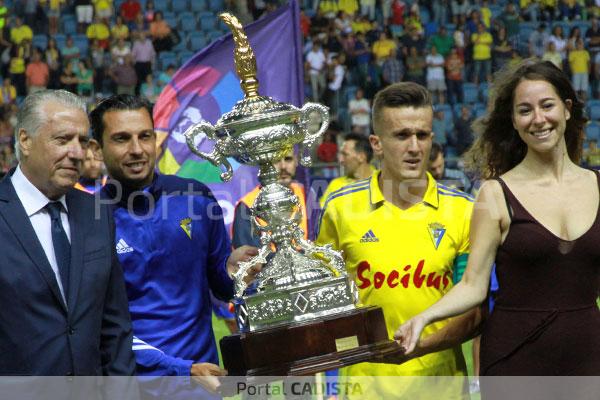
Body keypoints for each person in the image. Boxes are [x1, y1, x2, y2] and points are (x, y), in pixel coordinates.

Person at [395, 61, 600, 382]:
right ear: (515, 122)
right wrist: (423, 318)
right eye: (525, 110)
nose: (538, 119)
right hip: (515, 359)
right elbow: (473, 285)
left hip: (587, 356)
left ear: (567, 109)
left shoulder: (597, 186)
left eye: (547, 105)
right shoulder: (494, 194)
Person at [316, 82, 480, 398]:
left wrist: (421, 347)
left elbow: (473, 313)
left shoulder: (463, 212)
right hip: (365, 389)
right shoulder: (340, 209)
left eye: (423, 135)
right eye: (402, 135)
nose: (415, 147)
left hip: (440, 388)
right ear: (376, 143)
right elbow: (324, 303)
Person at [90, 94, 260, 382]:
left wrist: (232, 271)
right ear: (96, 149)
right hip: (133, 385)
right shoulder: (88, 219)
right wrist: (181, 369)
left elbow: (222, 287)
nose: (136, 149)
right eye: (121, 139)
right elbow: (100, 329)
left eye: (145, 136)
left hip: (204, 382)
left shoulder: (195, 197)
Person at [0, 89, 135, 375]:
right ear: (25, 140)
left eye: (82, 141)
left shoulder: (97, 213)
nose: (77, 153)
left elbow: (115, 327)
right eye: (63, 139)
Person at [232, 148, 312, 248]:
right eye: (276, 160)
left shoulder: (307, 195)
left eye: (288, 159)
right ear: (264, 165)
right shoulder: (247, 205)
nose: (283, 166)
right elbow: (249, 254)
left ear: (296, 161)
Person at [320, 132, 375, 206]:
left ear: (361, 157)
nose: (341, 160)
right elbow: (321, 214)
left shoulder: (382, 182)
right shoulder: (335, 186)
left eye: (345, 155)